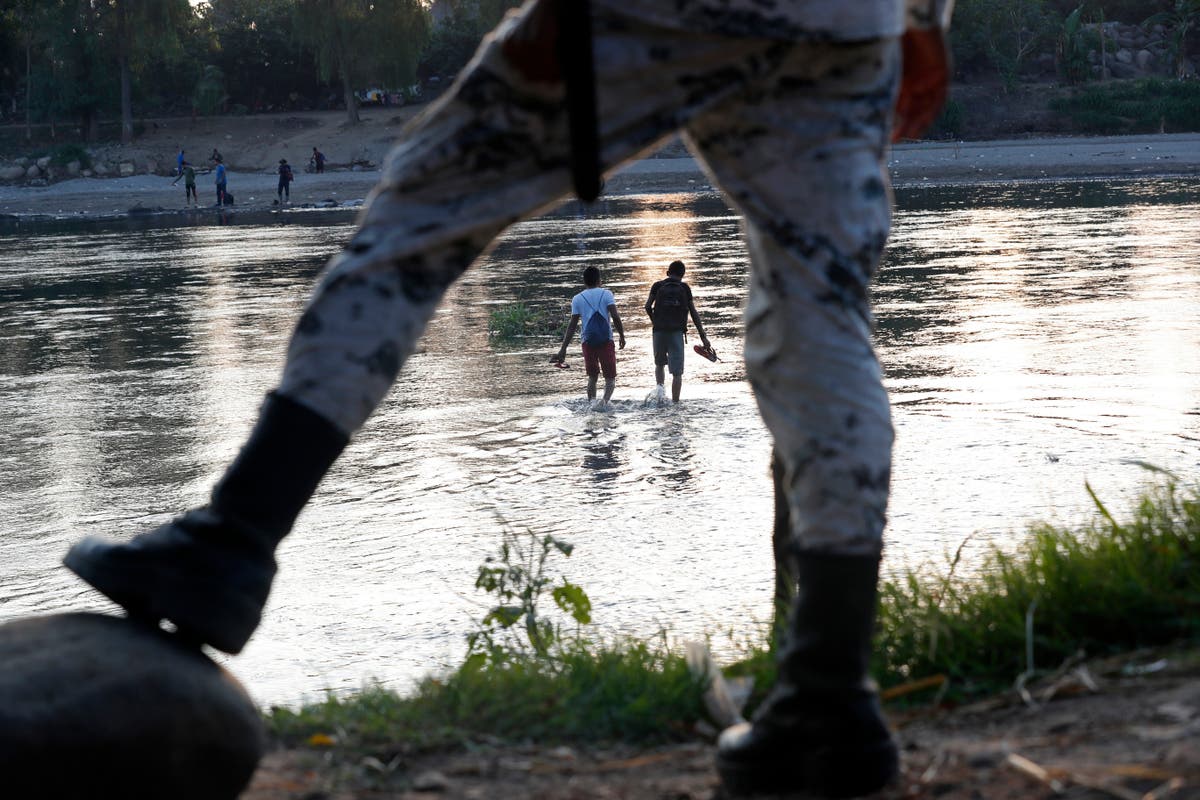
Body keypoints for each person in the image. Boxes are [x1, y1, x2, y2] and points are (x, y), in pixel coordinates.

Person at [63, 1, 951, 796]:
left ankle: (232, 541)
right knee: (821, 315)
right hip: (850, 23)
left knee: (415, 223)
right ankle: (831, 697)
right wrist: (925, 19)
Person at [551, 266, 626, 405]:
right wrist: (622, 335)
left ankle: (592, 404)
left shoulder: (577, 298)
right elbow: (615, 316)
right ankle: (604, 403)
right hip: (606, 340)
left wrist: (563, 348)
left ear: (584, 281)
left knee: (592, 377)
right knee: (610, 378)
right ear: (599, 280)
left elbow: (572, 325)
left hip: (587, 341)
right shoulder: (607, 294)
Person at [644, 259, 711, 402]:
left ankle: (660, 397)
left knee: (659, 364)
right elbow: (693, 312)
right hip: (676, 333)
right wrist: (703, 337)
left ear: (668, 273)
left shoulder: (657, 286)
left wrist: (654, 321)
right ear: (683, 275)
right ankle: (675, 404)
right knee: (677, 373)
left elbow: (647, 306)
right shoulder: (684, 288)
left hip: (659, 332)